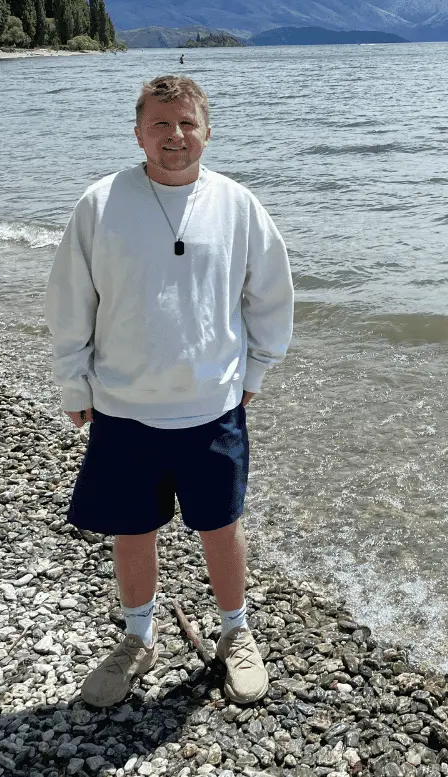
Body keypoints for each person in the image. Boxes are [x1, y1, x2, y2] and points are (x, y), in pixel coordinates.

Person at [44, 75, 294, 707]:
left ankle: (235, 634)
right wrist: (75, 379)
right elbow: (72, 299)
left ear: (208, 131)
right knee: (132, 528)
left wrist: (255, 373)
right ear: (138, 133)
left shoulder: (238, 206)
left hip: (212, 406)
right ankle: (138, 637)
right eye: (160, 124)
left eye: (187, 123)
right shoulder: (101, 204)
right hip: (124, 407)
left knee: (221, 526)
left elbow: (270, 298)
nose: (174, 136)